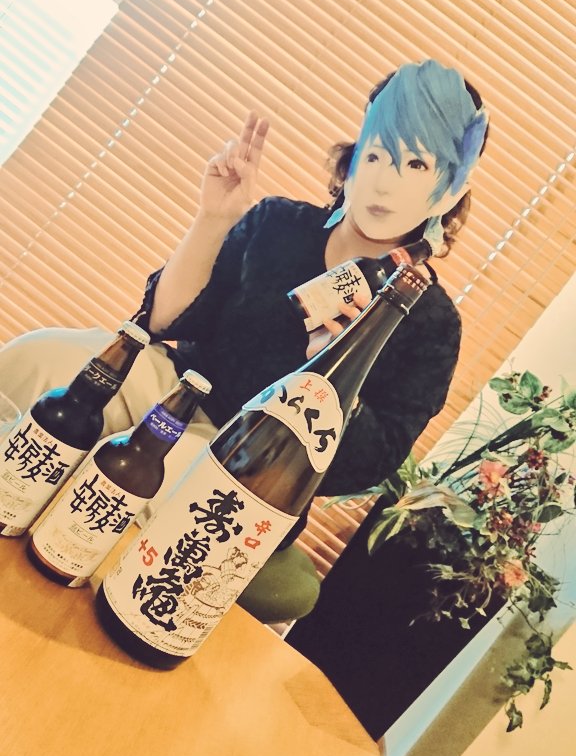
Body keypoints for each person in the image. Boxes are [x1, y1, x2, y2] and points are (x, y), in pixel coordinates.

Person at [0, 59, 489, 615]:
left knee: (146, 485)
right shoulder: (278, 223)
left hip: (253, 473)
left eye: (416, 164)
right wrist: (212, 220)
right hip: (179, 393)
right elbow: (164, 323)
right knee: (43, 359)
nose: (384, 180)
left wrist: (331, 374)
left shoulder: (428, 321)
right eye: (376, 154)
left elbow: (368, 463)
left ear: (450, 189)